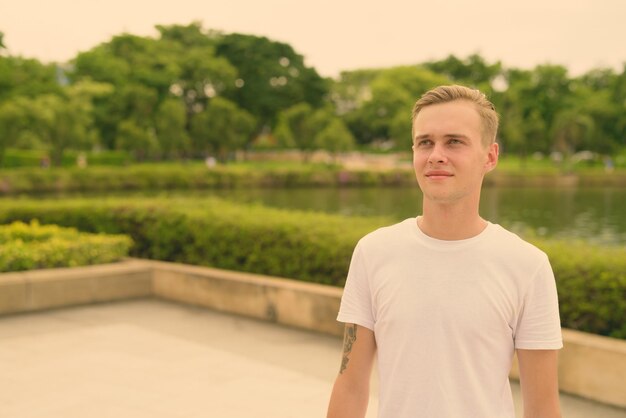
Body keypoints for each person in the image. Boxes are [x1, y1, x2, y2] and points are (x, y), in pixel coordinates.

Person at [326, 85, 563, 418]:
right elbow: (351, 386)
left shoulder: (528, 266)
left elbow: (542, 407)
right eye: (425, 142)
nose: (436, 154)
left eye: (454, 141)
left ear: (490, 156)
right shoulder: (373, 252)